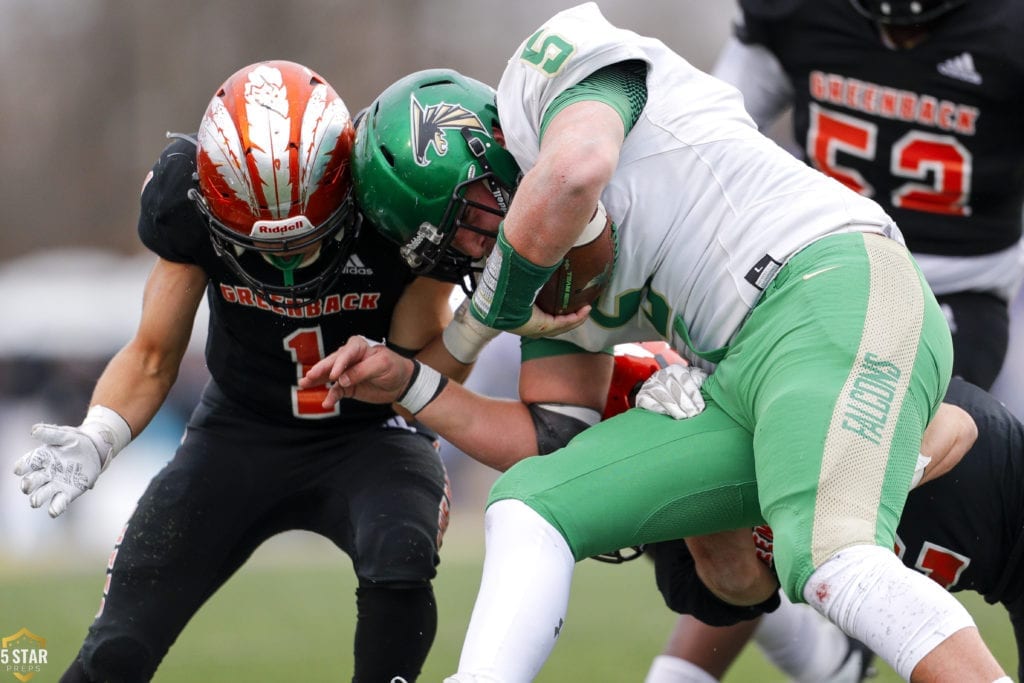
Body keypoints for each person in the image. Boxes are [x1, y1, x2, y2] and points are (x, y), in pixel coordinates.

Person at [301, 3, 1012, 680]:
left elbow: (576, 173)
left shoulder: (546, 77)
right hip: (741, 375)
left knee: (829, 555)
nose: (477, 246)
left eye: (472, 218)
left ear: (484, 149)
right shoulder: (542, 292)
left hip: (832, 280)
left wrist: (475, 323)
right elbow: (552, 435)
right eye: (458, 248)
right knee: (531, 502)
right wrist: (416, 386)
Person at [11, 60, 466, 683]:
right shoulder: (185, 201)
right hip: (239, 431)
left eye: (304, 239)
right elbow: (151, 353)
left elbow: (422, 376)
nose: (286, 259)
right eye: (261, 244)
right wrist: (100, 433)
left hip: (372, 435)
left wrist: (476, 323)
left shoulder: (396, 193)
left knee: (401, 552)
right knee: (116, 650)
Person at [711, 0, 1024, 391]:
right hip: (814, 262)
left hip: (956, 287)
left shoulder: (1008, 31)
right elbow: (716, 141)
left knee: (936, 426)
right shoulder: (795, 13)